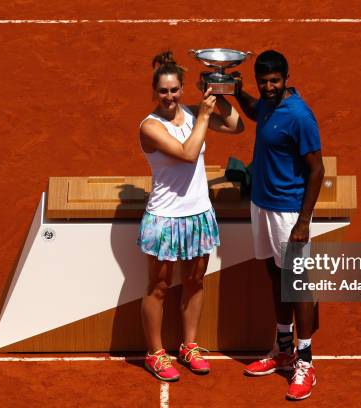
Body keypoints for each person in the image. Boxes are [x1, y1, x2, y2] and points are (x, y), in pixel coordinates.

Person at [137, 51, 243, 382]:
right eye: (163, 91)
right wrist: (202, 117)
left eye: (175, 90)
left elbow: (234, 126)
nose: (169, 97)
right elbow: (187, 154)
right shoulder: (150, 127)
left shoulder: (193, 111)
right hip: (165, 218)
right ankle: (154, 354)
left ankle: (189, 346)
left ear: (183, 88)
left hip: (198, 215)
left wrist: (220, 92)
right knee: (159, 286)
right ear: (155, 92)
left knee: (195, 282)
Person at [232, 50, 325, 400]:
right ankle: (283, 348)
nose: (269, 87)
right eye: (264, 82)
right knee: (275, 274)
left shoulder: (300, 115)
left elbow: (317, 169)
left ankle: (305, 361)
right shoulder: (269, 104)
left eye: (275, 81)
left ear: (286, 78)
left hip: (289, 213)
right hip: (263, 206)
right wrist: (238, 93)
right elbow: (256, 110)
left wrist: (303, 221)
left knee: (296, 284)